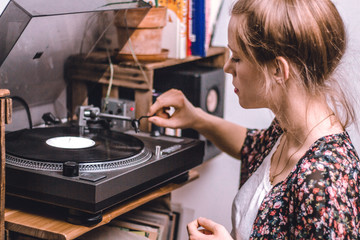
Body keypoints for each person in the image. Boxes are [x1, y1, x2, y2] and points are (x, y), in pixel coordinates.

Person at [147, 0, 360, 239]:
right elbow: (251, 145)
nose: (227, 67)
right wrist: (196, 118)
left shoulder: (325, 182)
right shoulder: (288, 128)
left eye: (237, 58)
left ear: (278, 70)